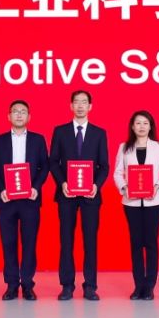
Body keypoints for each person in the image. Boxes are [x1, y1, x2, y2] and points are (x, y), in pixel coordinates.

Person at [49, 90, 109, 301]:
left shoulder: (99, 133)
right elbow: (53, 161)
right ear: (71, 106)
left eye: (84, 102)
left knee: (90, 241)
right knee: (66, 240)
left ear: (90, 106)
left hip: (90, 195)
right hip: (66, 194)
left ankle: (90, 285)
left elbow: (104, 165)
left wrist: (96, 185)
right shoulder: (60, 131)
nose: (81, 106)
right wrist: (62, 182)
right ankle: (67, 285)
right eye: (77, 102)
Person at [0, 100, 50, 301]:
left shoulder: (38, 140)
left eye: (23, 112)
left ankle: (28, 285)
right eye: (15, 111)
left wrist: (36, 187)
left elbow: (45, 166)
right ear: (9, 116)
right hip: (7, 199)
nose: (19, 115)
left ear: (29, 117)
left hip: (30, 199)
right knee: (8, 243)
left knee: (29, 243)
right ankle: (12, 285)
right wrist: (1, 189)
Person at [112, 110, 159, 300]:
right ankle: (138, 285)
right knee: (136, 243)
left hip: (154, 202)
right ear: (132, 126)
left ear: (150, 126)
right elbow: (117, 173)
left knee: (151, 242)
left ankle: (150, 286)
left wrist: (158, 186)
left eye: (145, 123)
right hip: (131, 202)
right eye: (138, 123)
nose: (141, 126)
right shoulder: (124, 147)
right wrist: (124, 187)